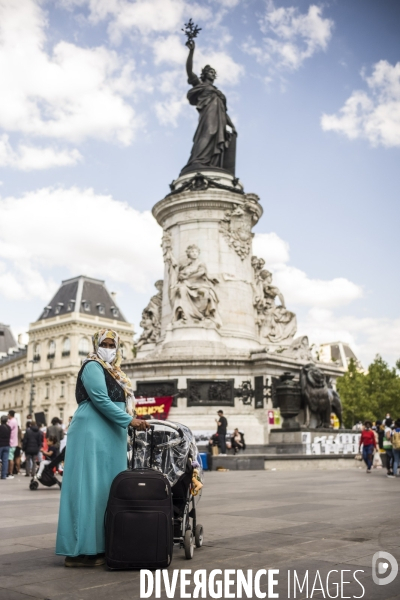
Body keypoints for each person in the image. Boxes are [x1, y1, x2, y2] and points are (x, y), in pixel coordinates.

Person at [56, 329, 149, 568]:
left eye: (112, 344)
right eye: (104, 343)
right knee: (88, 488)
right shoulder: (92, 366)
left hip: (111, 431)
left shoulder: (115, 372)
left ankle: (100, 545)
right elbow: (100, 399)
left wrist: (128, 419)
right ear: (96, 344)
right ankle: (80, 551)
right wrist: (130, 421)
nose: (108, 347)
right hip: (92, 431)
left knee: (105, 489)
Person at [7, 410, 18, 479]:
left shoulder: (12, 422)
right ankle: (10, 472)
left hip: (11, 442)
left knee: (10, 458)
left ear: (10, 414)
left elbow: (8, 430)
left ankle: (10, 472)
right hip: (14, 442)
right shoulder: (15, 421)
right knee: (11, 458)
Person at [0, 415, 11, 480]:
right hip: (7, 445)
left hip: (0, 445)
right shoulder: (9, 428)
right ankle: (3, 475)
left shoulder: (0, 427)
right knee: (5, 461)